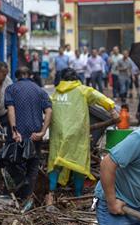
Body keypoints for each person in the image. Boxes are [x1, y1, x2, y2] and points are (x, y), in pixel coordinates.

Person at [46, 68, 117, 206]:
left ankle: (51, 192)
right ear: (76, 78)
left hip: (58, 134)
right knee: (78, 162)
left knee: (56, 162)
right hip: (77, 133)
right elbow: (99, 97)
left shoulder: (55, 93)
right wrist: (112, 109)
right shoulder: (82, 90)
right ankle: (78, 195)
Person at [5, 67, 52, 211]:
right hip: (35, 135)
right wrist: (43, 131)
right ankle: (28, 195)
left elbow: (11, 109)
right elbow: (49, 111)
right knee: (32, 165)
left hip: (19, 134)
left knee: (12, 162)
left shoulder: (11, 89)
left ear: (16, 76)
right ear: (30, 75)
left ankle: (23, 194)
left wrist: (14, 131)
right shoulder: (39, 90)